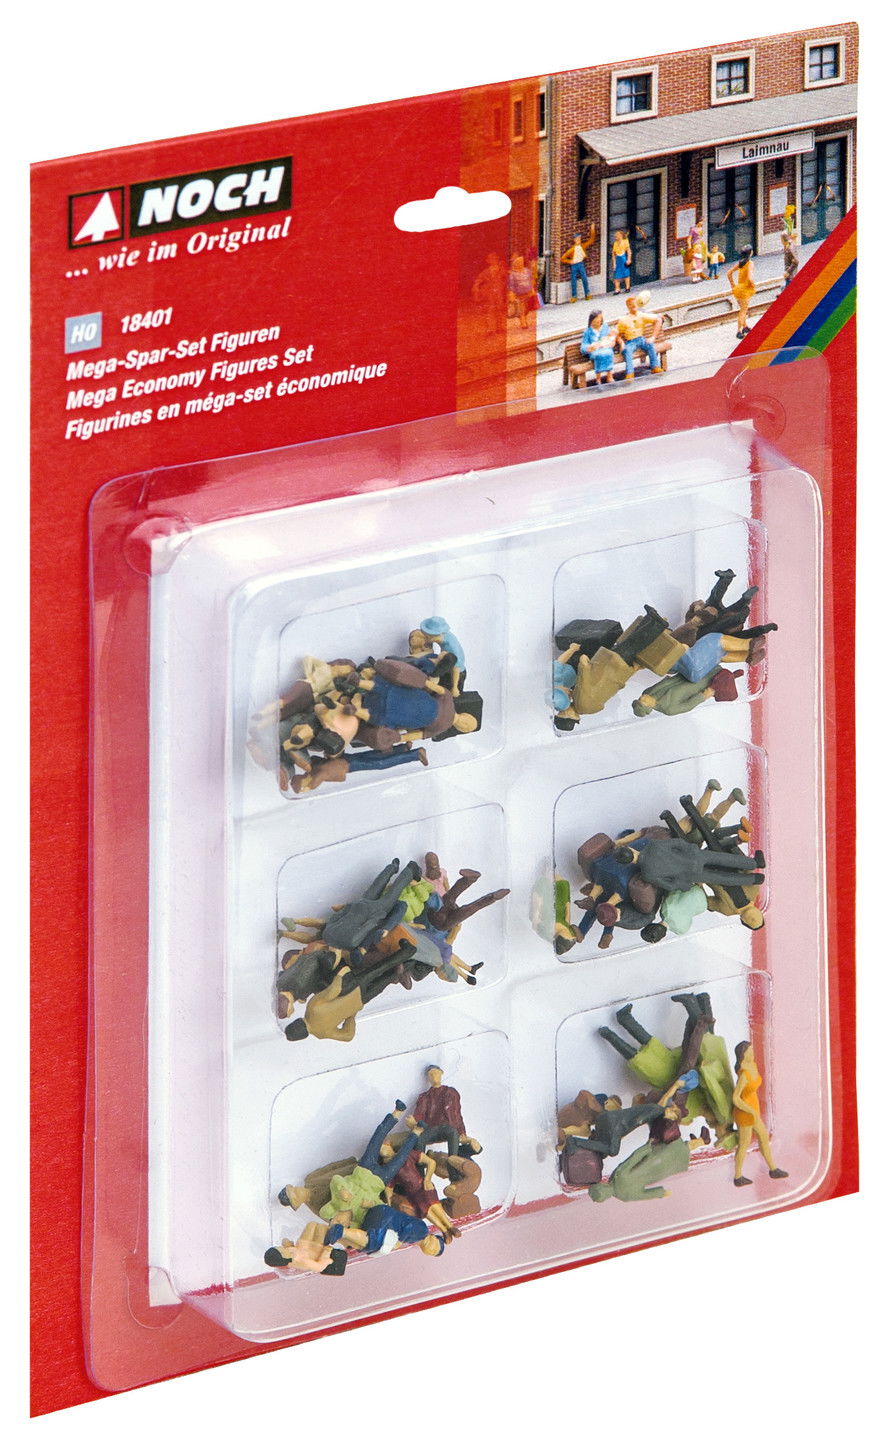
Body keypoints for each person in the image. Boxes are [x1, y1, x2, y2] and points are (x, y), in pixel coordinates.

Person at [731, 1042, 788, 1186]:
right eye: (749, 1051)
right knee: (744, 1144)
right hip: (745, 1113)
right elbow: (736, 1098)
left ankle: (773, 1169)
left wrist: (754, 1111)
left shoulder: (753, 1066)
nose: (752, 1053)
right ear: (743, 1054)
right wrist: (750, 1110)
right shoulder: (744, 1074)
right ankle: (738, 1176)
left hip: (754, 1111)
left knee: (763, 1137)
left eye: (752, 1050)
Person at [615, 292, 664, 380]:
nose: (633, 306)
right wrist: (621, 343)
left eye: (634, 304)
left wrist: (653, 337)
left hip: (641, 339)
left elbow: (658, 320)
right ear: (628, 306)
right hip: (631, 341)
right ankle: (630, 373)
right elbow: (616, 333)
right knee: (627, 350)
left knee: (650, 345)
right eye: (630, 305)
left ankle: (655, 367)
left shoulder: (641, 315)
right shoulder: (623, 319)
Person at [727, 244, 756, 338]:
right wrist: (753, 285)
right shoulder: (750, 263)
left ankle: (745, 326)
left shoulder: (740, 263)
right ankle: (739, 331)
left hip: (738, 288)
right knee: (743, 311)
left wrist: (732, 284)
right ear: (750, 253)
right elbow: (750, 278)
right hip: (745, 290)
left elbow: (729, 272)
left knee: (742, 309)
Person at [580, 310, 616, 384]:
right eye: (595, 321)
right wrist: (589, 347)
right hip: (595, 350)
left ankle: (609, 376)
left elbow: (610, 337)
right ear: (591, 321)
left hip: (605, 347)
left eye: (599, 320)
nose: (598, 323)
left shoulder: (605, 327)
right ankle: (598, 378)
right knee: (598, 355)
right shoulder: (588, 331)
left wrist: (611, 340)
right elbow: (583, 346)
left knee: (609, 353)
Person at [507, 252, 539, 326]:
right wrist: (511, 293)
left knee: (526, 307)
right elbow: (511, 284)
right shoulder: (513, 274)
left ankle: (523, 316)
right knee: (522, 306)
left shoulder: (527, 271)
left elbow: (531, 280)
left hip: (528, 292)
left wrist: (532, 289)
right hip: (519, 292)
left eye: (521, 262)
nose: (521, 264)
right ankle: (523, 321)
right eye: (519, 263)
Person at [560, 232, 591, 301]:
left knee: (584, 278)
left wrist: (592, 230)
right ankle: (574, 296)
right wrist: (570, 261)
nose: (579, 240)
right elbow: (562, 258)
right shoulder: (572, 249)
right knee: (573, 280)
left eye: (579, 239)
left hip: (581, 264)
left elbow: (591, 240)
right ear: (574, 240)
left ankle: (587, 293)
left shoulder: (582, 246)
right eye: (577, 239)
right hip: (574, 265)